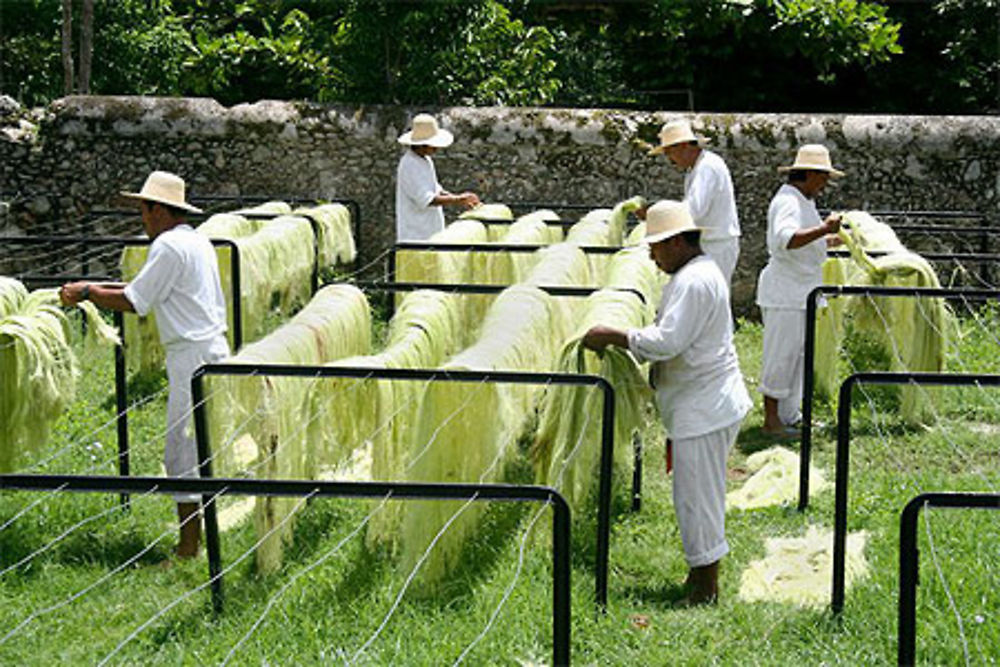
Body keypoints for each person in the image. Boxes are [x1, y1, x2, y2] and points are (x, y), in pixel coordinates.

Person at [583, 200, 751, 605]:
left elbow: (669, 341)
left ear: (677, 242)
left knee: (698, 499)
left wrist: (613, 334)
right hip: (702, 404)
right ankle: (699, 577)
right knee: (696, 495)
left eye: (655, 247)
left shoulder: (694, 281)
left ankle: (705, 588)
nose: (652, 256)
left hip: (705, 407)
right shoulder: (696, 273)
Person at [60, 170, 230, 560]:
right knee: (198, 450)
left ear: (158, 209)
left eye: (144, 210)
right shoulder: (194, 241)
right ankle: (200, 540)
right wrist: (97, 290)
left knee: (182, 454)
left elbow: (137, 302)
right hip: (206, 350)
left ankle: (190, 549)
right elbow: (141, 289)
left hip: (192, 358)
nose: (142, 218)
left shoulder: (168, 246)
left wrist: (87, 291)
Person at [756, 144, 844, 437]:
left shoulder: (803, 200)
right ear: (808, 174)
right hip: (785, 292)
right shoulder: (788, 201)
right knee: (781, 356)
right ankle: (771, 420)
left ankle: (790, 415)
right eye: (822, 178)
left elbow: (804, 241)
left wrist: (827, 241)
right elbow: (787, 240)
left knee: (797, 358)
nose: (825, 184)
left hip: (801, 290)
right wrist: (824, 230)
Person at [641, 118, 742, 287]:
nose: (669, 159)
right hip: (710, 242)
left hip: (716, 244)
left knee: (710, 296)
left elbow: (694, 210)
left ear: (683, 146)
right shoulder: (697, 168)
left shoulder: (707, 167)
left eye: (669, 152)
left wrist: (657, 214)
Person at [395, 113, 480, 241]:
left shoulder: (425, 160)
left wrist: (461, 199)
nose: (436, 148)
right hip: (416, 235)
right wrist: (458, 199)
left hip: (431, 231)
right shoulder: (409, 164)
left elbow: (436, 189)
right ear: (422, 144)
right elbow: (428, 199)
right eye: (432, 144)